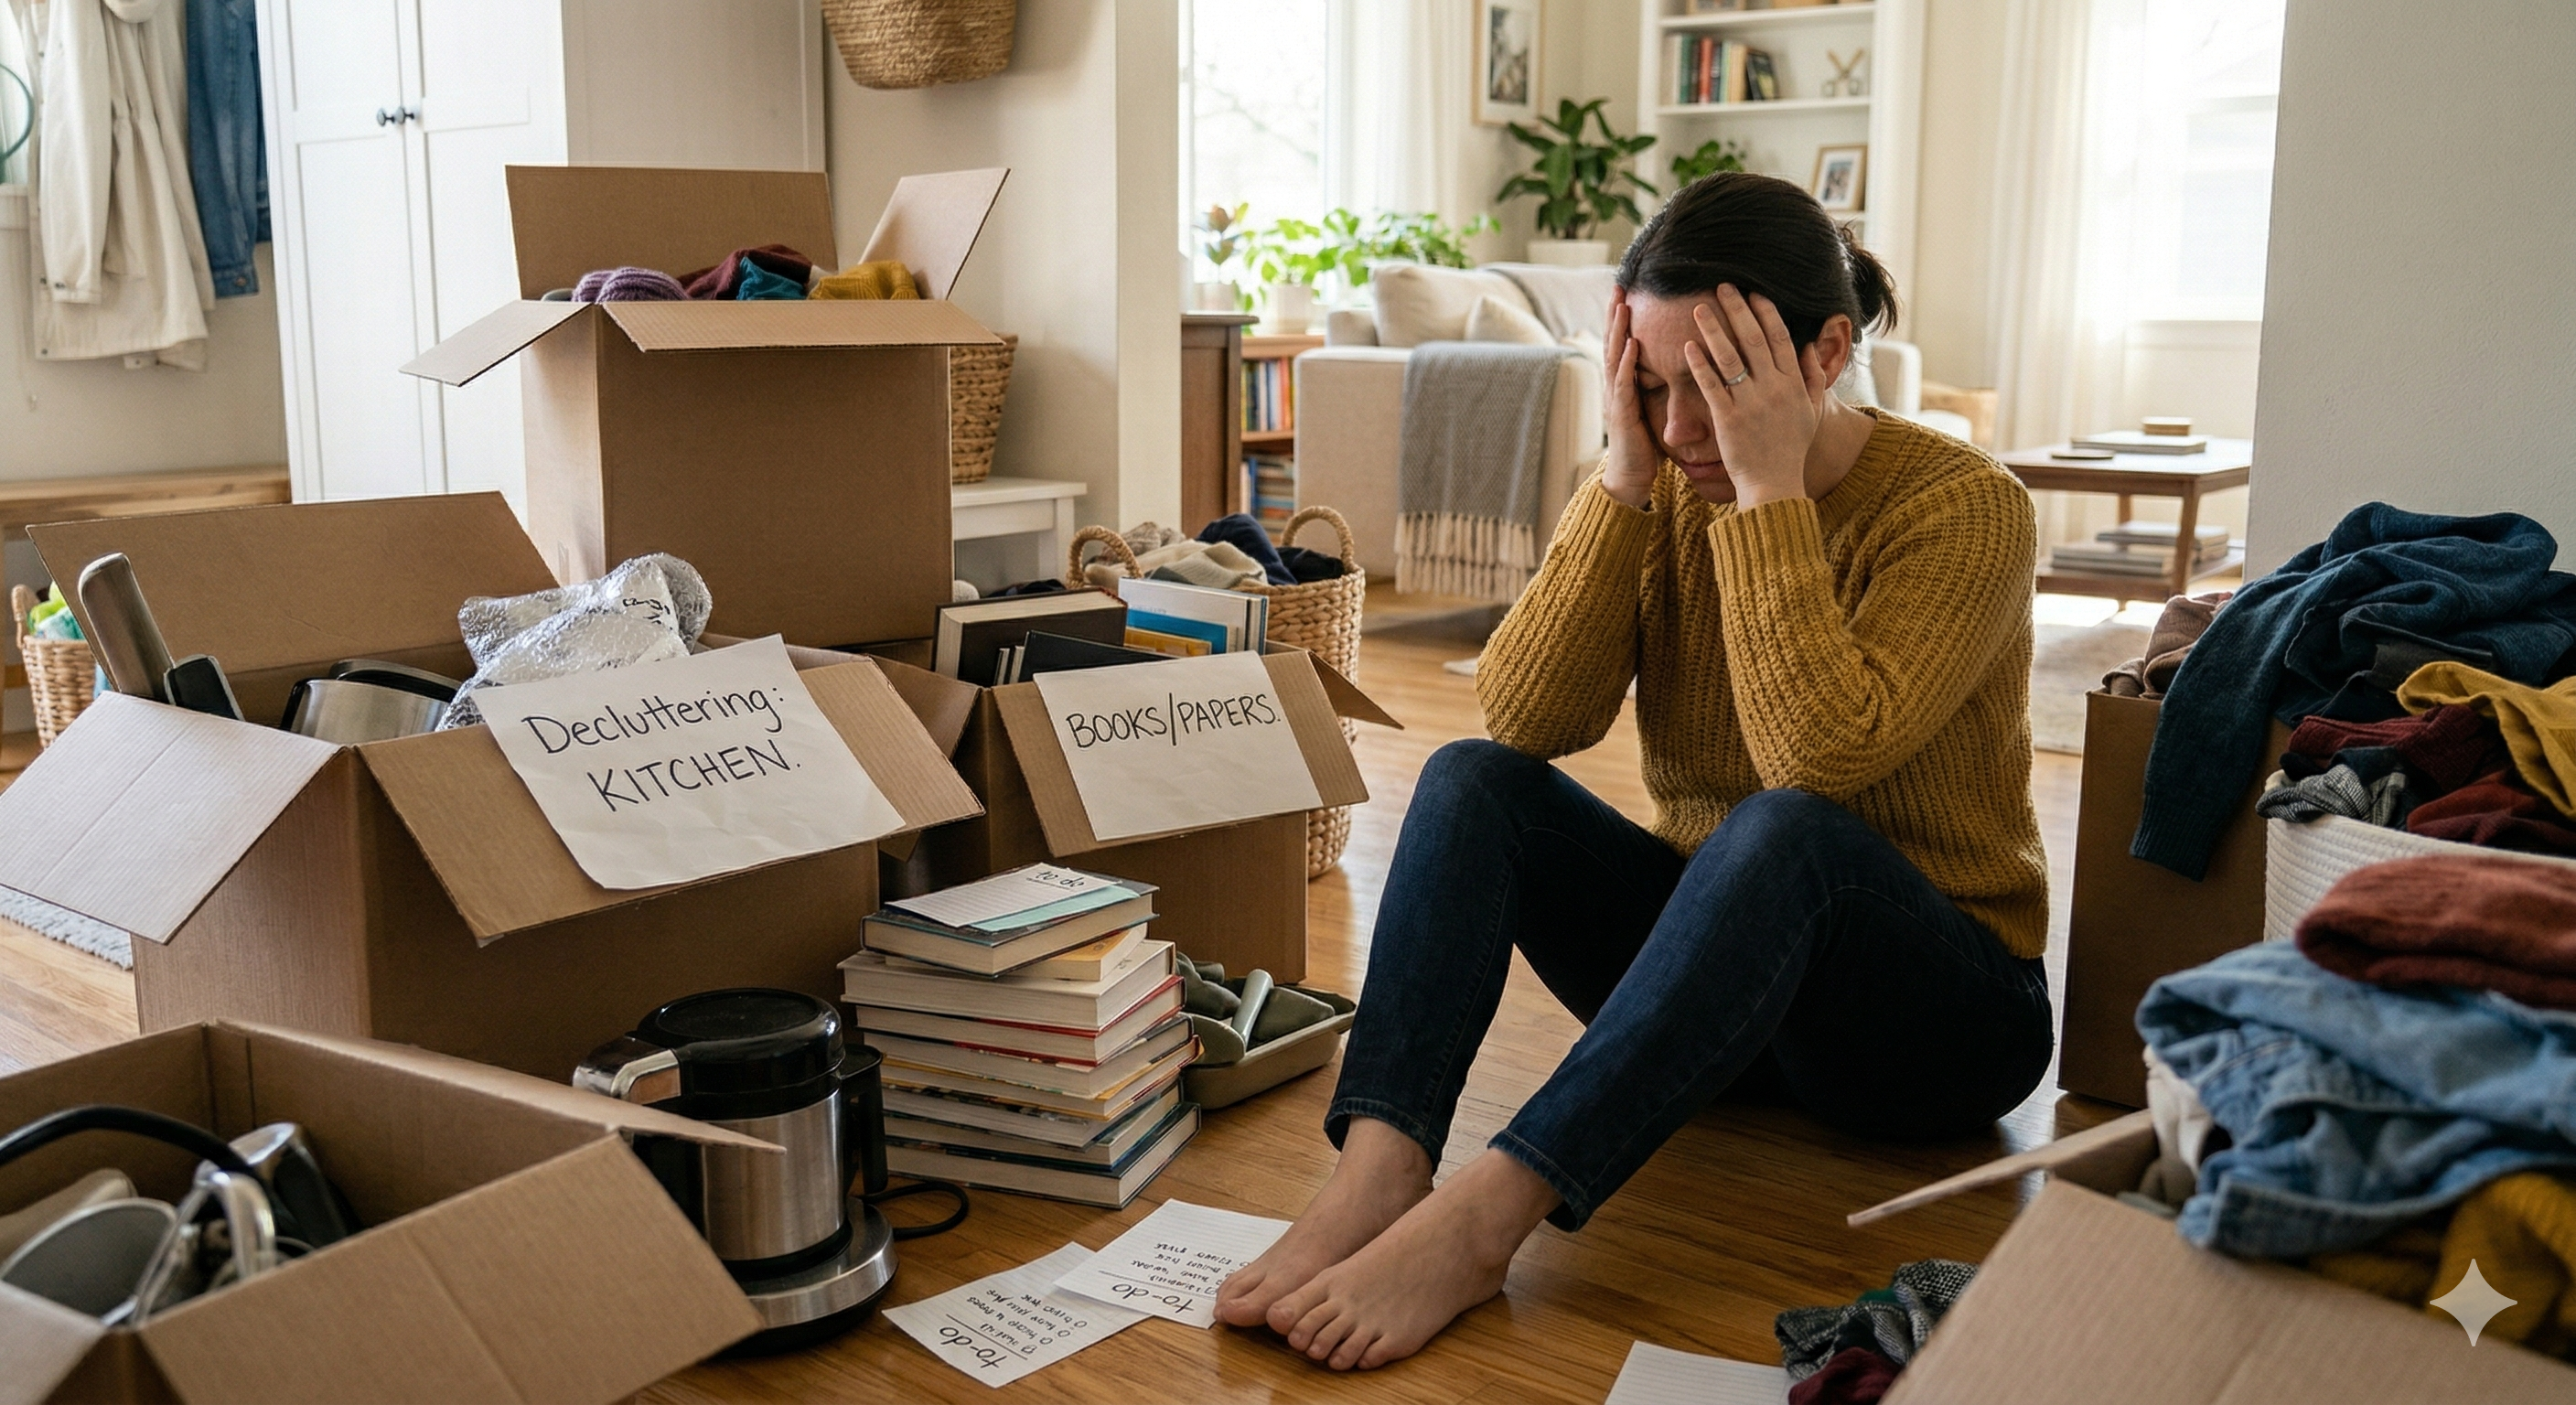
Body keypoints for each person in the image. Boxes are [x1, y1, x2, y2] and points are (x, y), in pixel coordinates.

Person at [1213, 171, 2054, 1370]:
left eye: (1716, 387)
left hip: (1936, 1022)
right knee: (1465, 780)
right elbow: (1523, 715)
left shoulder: (1968, 510)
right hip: (1731, 1001)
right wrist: (1619, 480)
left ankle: (1485, 1220)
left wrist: (1768, 496)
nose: (1682, 430)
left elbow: (1815, 759)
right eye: (1652, 385)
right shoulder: (1658, 478)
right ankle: (1381, 1171)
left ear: (1825, 354)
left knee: (1782, 831)